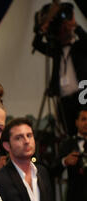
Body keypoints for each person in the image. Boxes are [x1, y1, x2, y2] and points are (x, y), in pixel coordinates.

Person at [32, 2, 87, 135]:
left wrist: (75, 25)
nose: (63, 31)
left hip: (82, 94)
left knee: (84, 125)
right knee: (69, 131)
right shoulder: (55, 50)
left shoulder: (79, 47)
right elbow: (37, 44)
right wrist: (43, 29)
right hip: (63, 97)